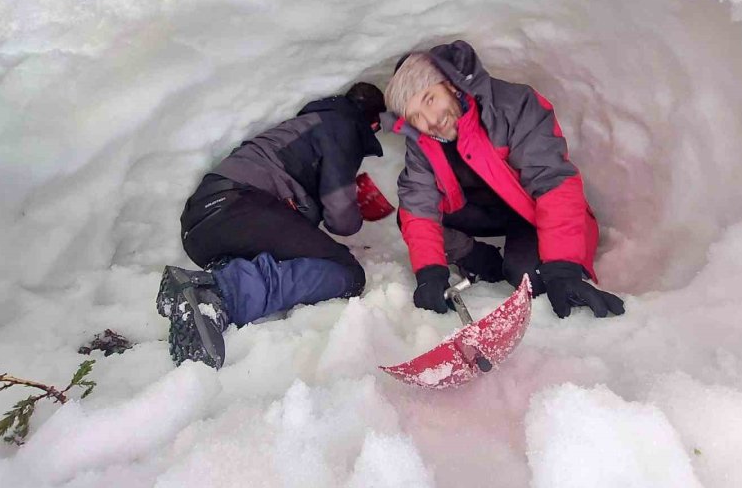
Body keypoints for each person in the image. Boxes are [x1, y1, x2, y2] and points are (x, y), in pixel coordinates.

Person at [384, 40, 624, 319]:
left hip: (531, 209)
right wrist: (430, 273)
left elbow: (553, 184)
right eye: (416, 116)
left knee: (530, 279)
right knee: (409, 214)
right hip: (483, 212)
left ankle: (530, 253)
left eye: (430, 99)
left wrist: (563, 268)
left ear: (450, 85)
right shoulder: (423, 142)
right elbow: (419, 204)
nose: (431, 120)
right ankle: (476, 256)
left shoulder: (514, 106)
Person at [157, 82, 386, 369]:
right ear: (372, 123)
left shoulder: (307, 125)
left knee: (289, 261)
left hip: (200, 228)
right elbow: (341, 217)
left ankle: (222, 277)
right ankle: (216, 294)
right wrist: (354, 208)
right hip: (238, 204)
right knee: (347, 273)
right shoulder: (343, 125)